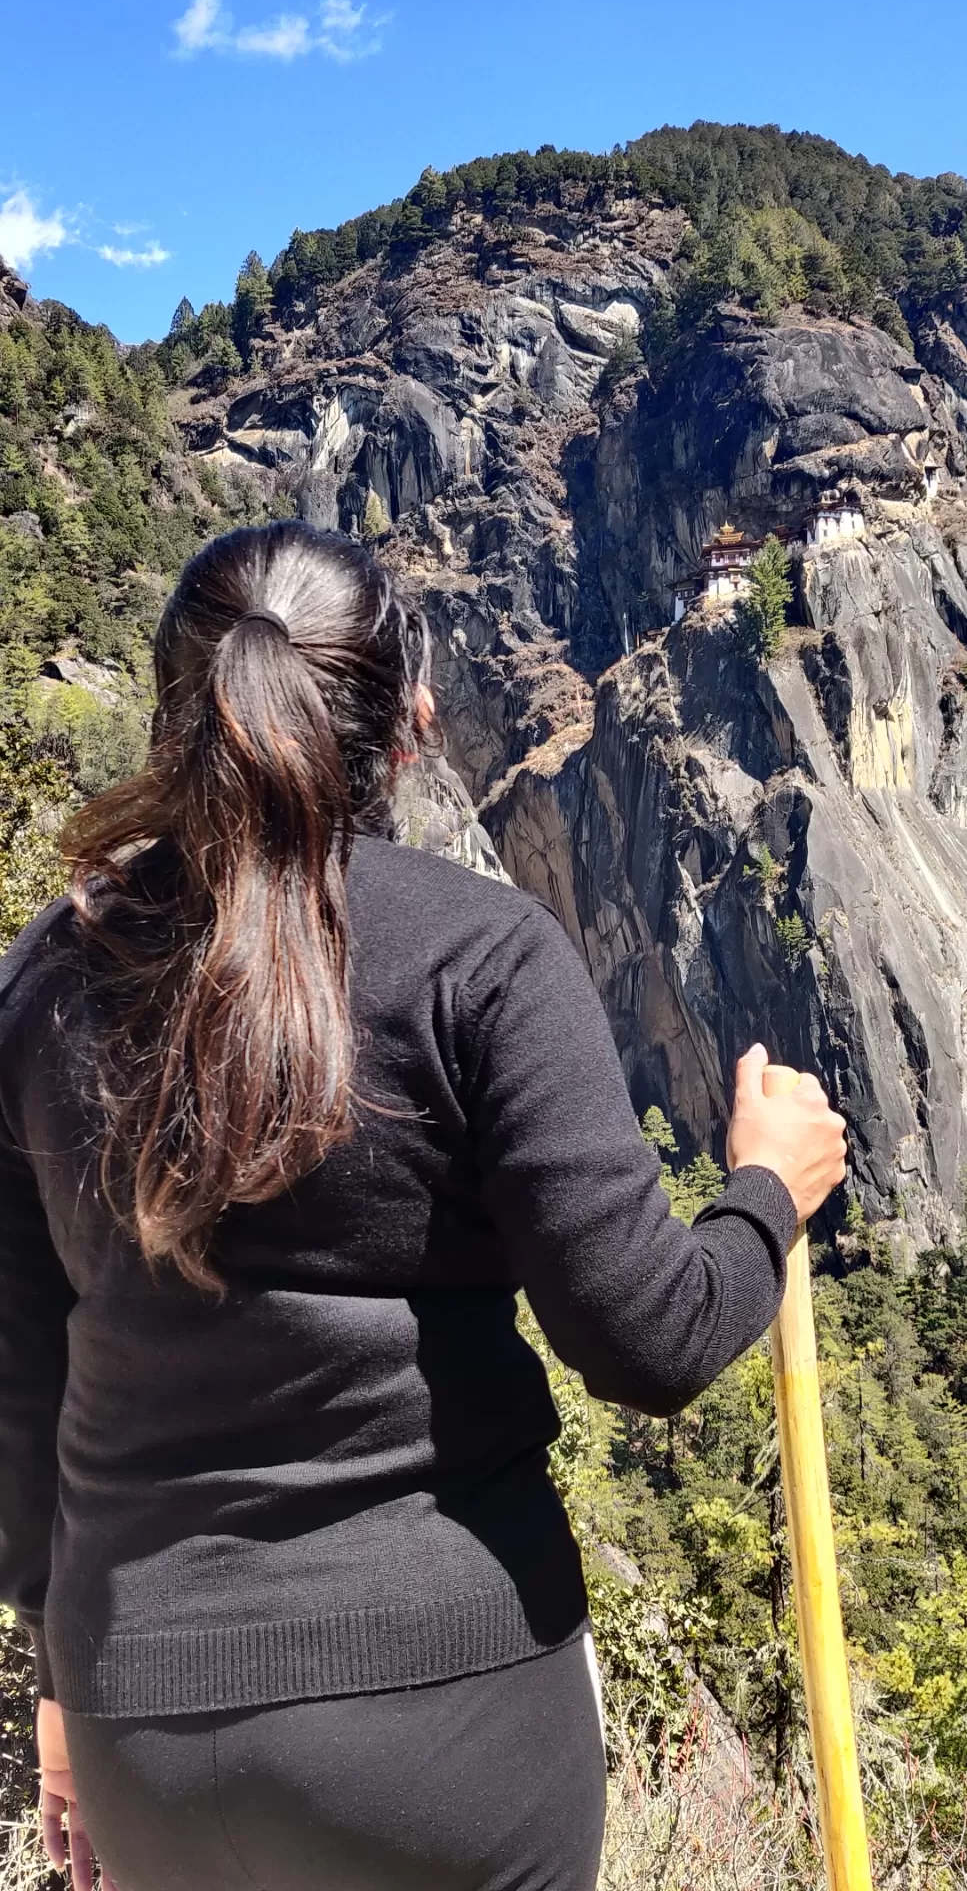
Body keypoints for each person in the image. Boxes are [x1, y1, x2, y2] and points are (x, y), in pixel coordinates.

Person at [0, 520, 847, 1891]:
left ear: (176, 716)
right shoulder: (480, 954)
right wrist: (766, 1188)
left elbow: (20, 1388)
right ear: (412, 719)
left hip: (138, 1716)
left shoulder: (47, 973)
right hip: (444, 1723)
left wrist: (61, 1701)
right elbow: (647, 1340)